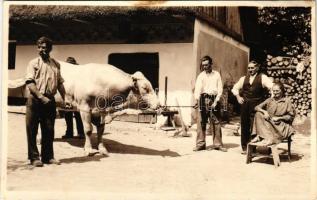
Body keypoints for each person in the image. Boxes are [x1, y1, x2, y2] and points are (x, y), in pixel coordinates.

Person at [25, 36, 66, 167]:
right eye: (40, 47)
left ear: (50, 49)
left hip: (50, 100)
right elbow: (30, 83)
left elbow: (60, 84)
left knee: (49, 129)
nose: (43, 49)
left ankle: (48, 157)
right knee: (32, 129)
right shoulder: (33, 63)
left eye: (45, 47)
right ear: (38, 48)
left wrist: (65, 98)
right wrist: (41, 97)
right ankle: (34, 157)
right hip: (35, 99)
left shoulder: (56, 64)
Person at [231, 60, 273, 154]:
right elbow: (234, 88)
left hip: (257, 104)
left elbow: (272, 87)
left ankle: (253, 148)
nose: (250, 70)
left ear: (257, 68)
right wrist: (238, 97)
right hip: (245, 104)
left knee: (254, 125)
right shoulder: (243, 78)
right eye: (249, 68)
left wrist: (270, 100)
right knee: (244, 125)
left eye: (252, 68)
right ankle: (245, 147)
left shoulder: (263, 77)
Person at [193, 55, 227, 152]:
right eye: (203, 65)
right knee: (201, 122)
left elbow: (220, 89)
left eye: (207, 65)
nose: (205, 67)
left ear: (211, 64)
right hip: (203, 99)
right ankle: (200, 144)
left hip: (214, 99)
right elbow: (197, 89)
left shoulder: (216, 74)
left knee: (216, 121)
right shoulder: (201, 76)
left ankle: (218, 144)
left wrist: (216, 101)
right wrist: (196, 100)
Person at [61, 57, 85, 139]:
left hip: (77, 96)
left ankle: (81, 133)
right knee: (68, 116)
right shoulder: (65, 73)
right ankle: (69, 133)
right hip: (68, 96)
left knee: (78, 116)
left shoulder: (79, 72)